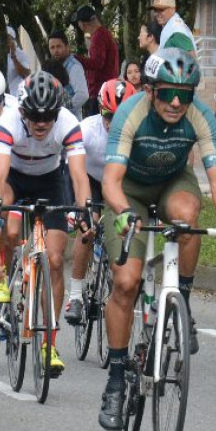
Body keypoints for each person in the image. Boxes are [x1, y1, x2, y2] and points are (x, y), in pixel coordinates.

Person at [98, 48, 216, 430]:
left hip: (172, 184)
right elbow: (111, 180)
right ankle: (116, 379)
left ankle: (183, 305)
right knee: (126, 283)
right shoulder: (130, 114)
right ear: (150, 91)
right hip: (129, 191)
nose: (177, 103)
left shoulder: (200, 116)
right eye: (167, 93)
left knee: (187, 217)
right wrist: (124, 212)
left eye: (185, 94)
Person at [0, 71, 90, 374]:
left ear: (57, 113)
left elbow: (78, 175)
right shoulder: (8, 121)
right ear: (23, 111)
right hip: (14, 178)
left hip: (50, 181)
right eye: (34, 116)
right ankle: (1, 275)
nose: (40, 123)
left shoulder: (68, 123)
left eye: (47, 116)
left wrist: (84, 210)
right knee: (9, 228)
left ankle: (49, 343)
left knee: (56, 260)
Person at [64, 79, 136, 324]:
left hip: (122, 184)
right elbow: (70, 171)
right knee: (88, 228)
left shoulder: (138, 134)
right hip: (92, 181)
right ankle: (75, 295)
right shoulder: (87, 130)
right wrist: (76, 207)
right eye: (108, 116)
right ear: (100, 111)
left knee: (128, 226)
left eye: (120, 117)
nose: (113, 123)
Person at [73, 4, 120, 115]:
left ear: (82, 24)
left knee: (97, 123)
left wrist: (76, 58)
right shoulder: (105, 34)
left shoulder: (99, 36)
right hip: (108, 89)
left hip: (101, 91)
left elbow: (97, 63)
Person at [47, 30, 89, 118]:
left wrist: (63, 109)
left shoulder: (74, 66)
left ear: (67, 47)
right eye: (52, 48)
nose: (55, 51)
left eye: (59, 46)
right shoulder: (54, 66)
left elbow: (82, 95)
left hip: (71, 120)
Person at [4, 26, 31, 97]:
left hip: (17, 96)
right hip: (3, 96)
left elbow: (25, 75)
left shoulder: (22, 55)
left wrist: (13, 56)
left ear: (13, 41)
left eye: (7, 38)